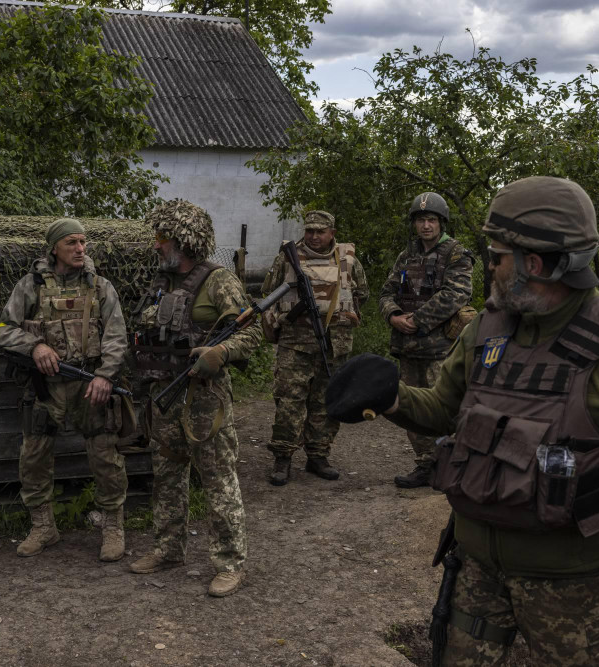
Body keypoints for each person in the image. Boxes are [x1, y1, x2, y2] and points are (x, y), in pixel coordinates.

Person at [334, 177, 599, 664]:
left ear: (536, 263)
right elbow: (444, 410)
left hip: (571, 585)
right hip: (474, 571)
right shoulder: (487, 329)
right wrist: (389, 398)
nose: (489, 266)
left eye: (497, 255)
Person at [128, 199, 262, 597]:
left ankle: (230, 564)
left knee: (218, 480)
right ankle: (168, 549)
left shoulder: (219, 282)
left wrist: (220, 352)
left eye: (161, 237)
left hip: (205, 400)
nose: (156, 244)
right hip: (164, 395)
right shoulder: (161, 281)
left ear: (183, 240)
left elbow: (252, 332)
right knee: (167, 477)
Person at [0, 218, 129, 562]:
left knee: (105, 456)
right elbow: (3, 329)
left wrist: (106, 376)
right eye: (72, 242)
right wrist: (35, 346)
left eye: (83, 242)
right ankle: (43, 527)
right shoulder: (31, 285)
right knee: (34, 455)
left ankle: (113, 527)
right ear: (54, 248)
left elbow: (117, 337)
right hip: (46, 388)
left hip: (90, 384)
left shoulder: (101, 287)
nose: (80, 249)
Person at [261, 210, 368, 485]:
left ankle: (318, 455)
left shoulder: (348, 260)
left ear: (332, 233)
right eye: (310, 231)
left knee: (326, 401)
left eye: (321, 231)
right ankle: (283, 457)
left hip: (334, 344)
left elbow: (361, 294)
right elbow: (269, 293)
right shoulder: (287, 257)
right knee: (289, 401)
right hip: (295, 343)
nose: (314, 236)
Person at [378, 192, 473, 488]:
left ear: (441, 222)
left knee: (446, 408)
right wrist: (394, 315)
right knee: (412, 410)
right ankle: (425, 465)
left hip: (442, 349)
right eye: (420, 220)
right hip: (409, 348)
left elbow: (457, 294)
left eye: (431, 219)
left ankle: (454, 465)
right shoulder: (406, 256)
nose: (426, 226)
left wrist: (417, 320)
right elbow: (386, 292)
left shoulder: (456, 253)